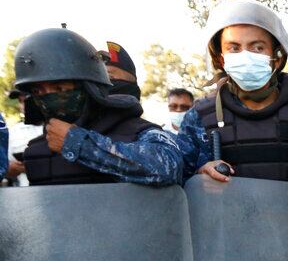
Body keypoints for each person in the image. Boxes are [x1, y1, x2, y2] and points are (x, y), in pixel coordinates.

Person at [176, 0, 288, 184]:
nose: (245, 56)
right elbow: (176, 182)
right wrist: (200, 174)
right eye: (234, 48)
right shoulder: (198, 118)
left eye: (257, 47)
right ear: (222, 60)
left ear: (276, 58)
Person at [14, 27, 182, 186]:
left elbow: (169, 166)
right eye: (38, 91)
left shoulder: (138, 131)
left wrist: (78, 144)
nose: (48, 98)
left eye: (60, 88)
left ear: (89, 88)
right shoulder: (38, 148)